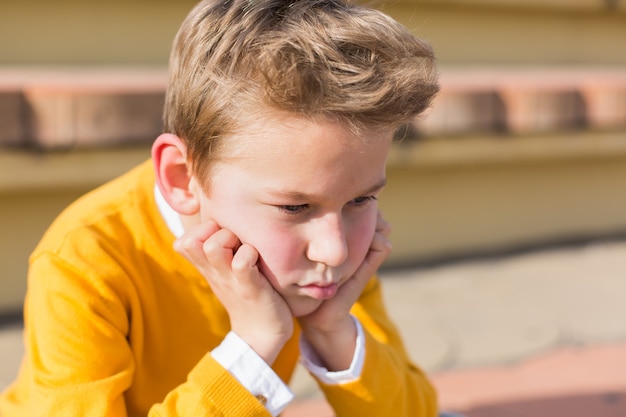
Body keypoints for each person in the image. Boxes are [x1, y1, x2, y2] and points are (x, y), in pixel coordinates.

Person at [0, 0, 439, 415]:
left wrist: (333, 330)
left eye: (362, 199)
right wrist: (254, 345)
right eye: (293, 207)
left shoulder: (332, 262)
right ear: (181, 179)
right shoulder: (86, 260)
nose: (335, 250)